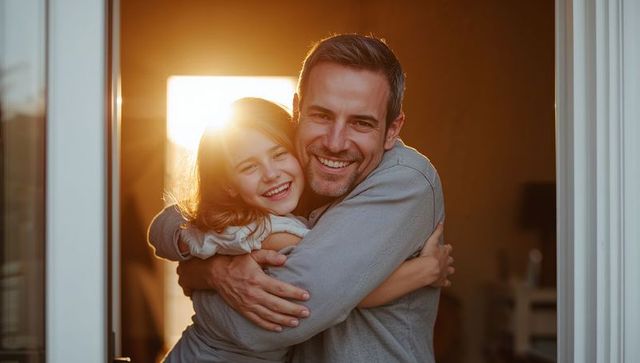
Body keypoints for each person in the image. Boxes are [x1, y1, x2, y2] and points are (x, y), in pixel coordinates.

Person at [149, 33, 451, 362]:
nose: (335, 142)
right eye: (322, 115)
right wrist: (212, 272)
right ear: (297, 109)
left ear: (393, 129)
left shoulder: (403, 181)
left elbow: (275, 321)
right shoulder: (295, 170)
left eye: (361, 123)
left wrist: (202, 280)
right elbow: (173, 221)